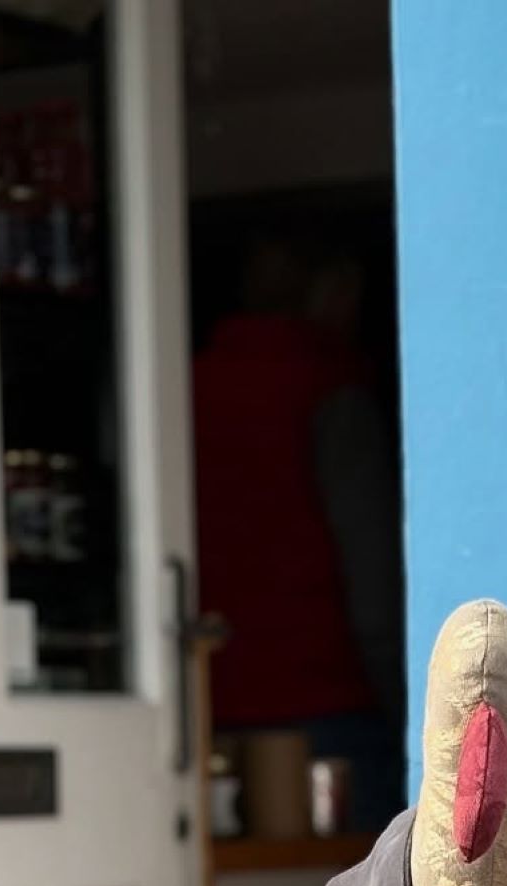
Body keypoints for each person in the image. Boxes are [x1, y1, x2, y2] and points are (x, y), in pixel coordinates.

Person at [192, 240, 405, 830]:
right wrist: (407, 709)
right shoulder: (332, 396)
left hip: (207, 708)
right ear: (333, 294)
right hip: (329, 708)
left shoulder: (179, 394)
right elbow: (374, 578)